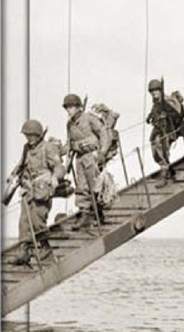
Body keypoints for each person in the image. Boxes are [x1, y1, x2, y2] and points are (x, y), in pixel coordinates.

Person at [7, 120, 66, 265]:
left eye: (31, 135)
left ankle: (46, 249)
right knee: (24, 223)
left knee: (38, 220)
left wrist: (54, 177)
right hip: (28, 190)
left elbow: (59, 167)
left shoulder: (48, 148)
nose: (29, 138)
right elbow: (21, 164)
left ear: (38, 135)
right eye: (27, 135)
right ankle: (24, 252)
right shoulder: (26, 148)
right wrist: (13, 174)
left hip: (42, 190)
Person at [64, 93, 110, 229]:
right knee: (82, 187)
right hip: (79, 158)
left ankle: (98, 213)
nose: (68, 110)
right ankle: (85, 214)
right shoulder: (69, 124)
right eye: (67, 107)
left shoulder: (89, 118)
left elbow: (103, 133)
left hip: (92, 156)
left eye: (71, 107)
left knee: (95, 187)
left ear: (78, 107)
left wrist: (102, 152)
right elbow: (69, 142)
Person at [146, 79, 184, 188]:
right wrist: (150, 117)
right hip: (158, 129)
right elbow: (155, 110)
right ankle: (170, 172)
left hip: (167, 131)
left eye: (156, 91)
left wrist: (166, 115)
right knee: (154, 147)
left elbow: (176, 115)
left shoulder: (166, 101)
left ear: (160, 91)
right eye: (152, 92)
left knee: (161, 148)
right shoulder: (157, 102)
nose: (154, 93)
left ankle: (164, 177)